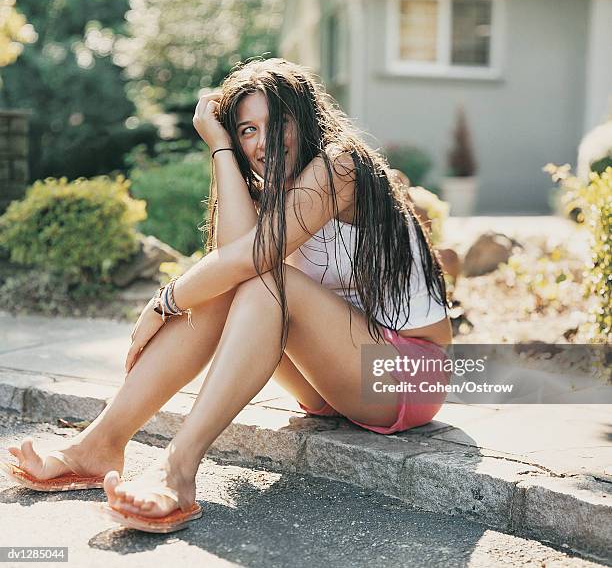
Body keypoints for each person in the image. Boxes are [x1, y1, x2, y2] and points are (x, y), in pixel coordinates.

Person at [2, 58, 452, 532]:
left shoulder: (341, 165)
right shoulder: (268, 188)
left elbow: (251, 258)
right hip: (332, 381)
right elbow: (233, 258)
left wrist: (164, 301)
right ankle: (99, 444)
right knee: (240, 279)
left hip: (407, 376)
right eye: (246, 131)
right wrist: (219, 145)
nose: (261, 142)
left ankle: (177, 468)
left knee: (264, 277)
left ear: (306, 119)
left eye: (276, 124)